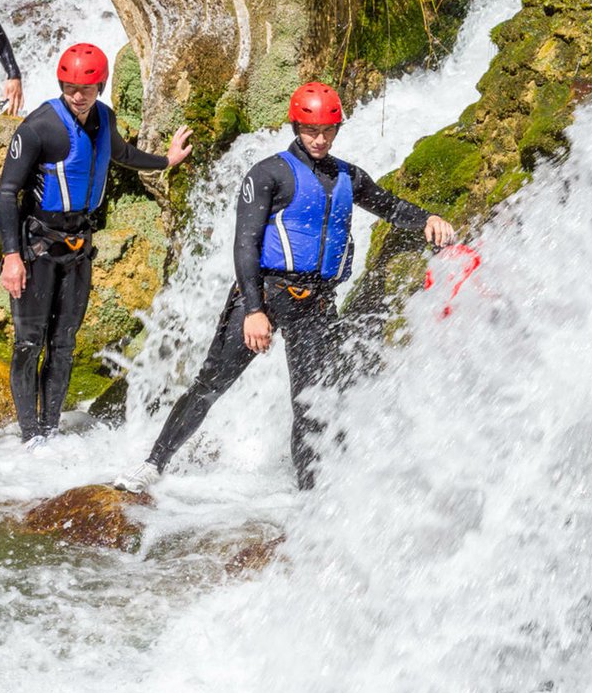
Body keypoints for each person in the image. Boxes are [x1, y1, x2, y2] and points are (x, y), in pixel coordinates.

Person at [112, 81, 456, 494]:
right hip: (265, 294)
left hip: (317, 304)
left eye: (328, 130)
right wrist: (255, 310)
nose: (319, 138)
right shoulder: (268, 173)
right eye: (311, 130)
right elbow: (245, 245)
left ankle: (309, 496)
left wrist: (426, 219)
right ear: (296, 126)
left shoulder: (349, 176)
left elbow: (389, 205)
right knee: (210, 385)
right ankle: (153, 463)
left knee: (311, 402)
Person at [0, 42, 192, 445]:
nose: (77, 95)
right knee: (30, 344)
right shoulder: (38, 128)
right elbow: (6, 192)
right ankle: (29, 438)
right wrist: (11, 256)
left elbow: (120, 153)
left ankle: (49, 431)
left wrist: (166, 161)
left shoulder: (104, 117)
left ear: (100, 86)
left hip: (79, 248)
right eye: (69, 87)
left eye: (85, 88)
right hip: (38, 249)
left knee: (63, 345)